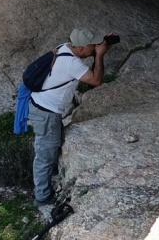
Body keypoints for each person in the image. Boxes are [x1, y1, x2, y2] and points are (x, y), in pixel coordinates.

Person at [28, 27, 115, 206]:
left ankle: (48, 182)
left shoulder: (64, 47)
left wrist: (100, 43)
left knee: (50, 147)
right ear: (82, 49)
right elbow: (96, 81)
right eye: (93, 45)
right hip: (46, 114)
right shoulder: (72, 64)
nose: (95, 48)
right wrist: (99, 56)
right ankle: (42, 198)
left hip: (41, 107)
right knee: (45, 154)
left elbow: (82, 59)